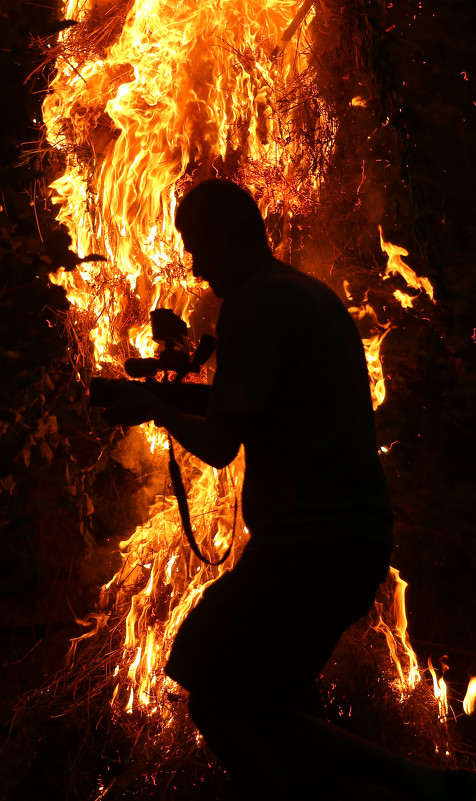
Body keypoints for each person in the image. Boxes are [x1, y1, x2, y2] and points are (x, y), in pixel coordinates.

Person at [108, 179, 475, 801]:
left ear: (228, 236)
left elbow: (223, 442)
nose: (195, 268)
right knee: (254, 708)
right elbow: (262, 408)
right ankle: (429, 787)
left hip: (313, 544)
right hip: (344, 542)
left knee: (212, 688)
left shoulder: (253, 302)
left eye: (197, 249)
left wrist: (148, 403)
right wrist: (167, 398)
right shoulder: (304, 294)